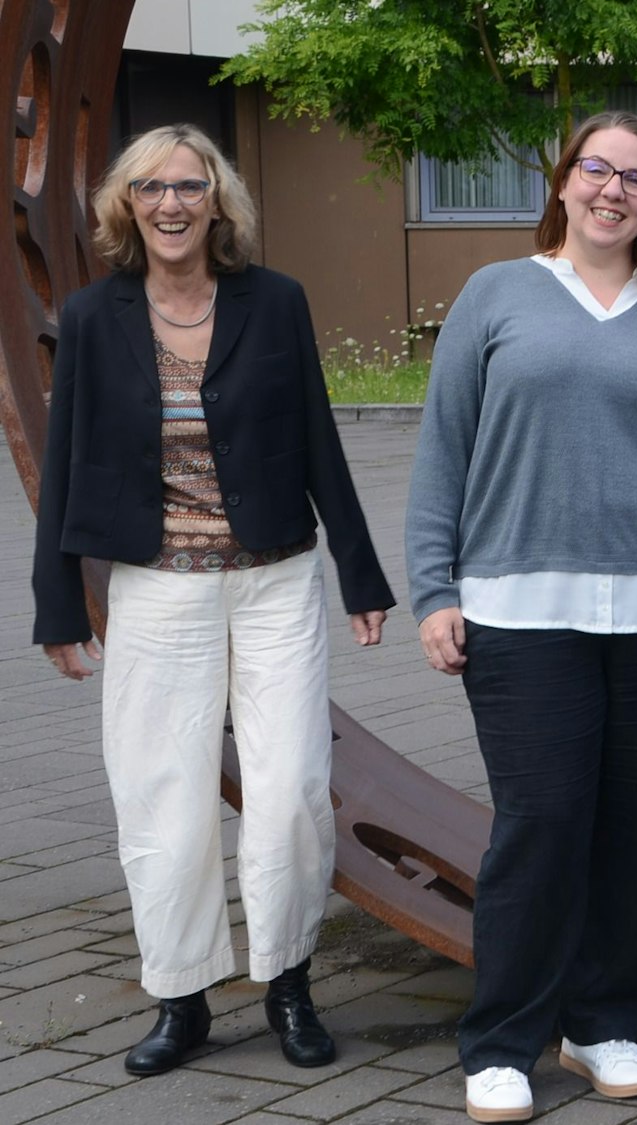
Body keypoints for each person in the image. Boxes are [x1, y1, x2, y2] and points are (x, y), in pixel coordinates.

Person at [404, 110, 637, 1123]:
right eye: (595, 170)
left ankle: (603, 1024)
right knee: (542, 823)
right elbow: (443, 452)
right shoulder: (495, 295)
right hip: (521, 612)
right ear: (561, 184)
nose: (612, 190)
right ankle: (503, 1039)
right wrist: (435, 589)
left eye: (635, 178)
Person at [31, 123, 394, 1075]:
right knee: (164, 799)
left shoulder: (274, 304)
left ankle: (287, 982)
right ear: (127, 205)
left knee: (290, 792)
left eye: (190, 186)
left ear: (217, 202)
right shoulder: (91, 316)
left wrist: (361, 571)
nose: (171, 205)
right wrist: (57, 606)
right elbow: (62, 466)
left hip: (275, 583)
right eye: (151, 188)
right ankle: (182, 998)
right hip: (155, 593)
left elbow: (319, 435)